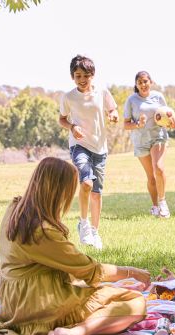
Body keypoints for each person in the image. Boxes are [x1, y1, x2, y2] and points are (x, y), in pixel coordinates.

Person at [0, 157, 150, 335]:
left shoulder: (15, 210)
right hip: (40, 305)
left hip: (13, 304)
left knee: (101, 291)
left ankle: (58, 333)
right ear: (58, 191)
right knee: (135, 302)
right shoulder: (42, 232)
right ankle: (75, 333)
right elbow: (90, 271)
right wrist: (132, 272)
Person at [59, 55, 119, 249]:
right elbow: (62, 119)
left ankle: (95, 230)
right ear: (72, 76)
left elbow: (113, 109)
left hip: (100, 148)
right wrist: (71, 127)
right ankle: (83, 224)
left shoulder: (102, 92)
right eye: (78, 76)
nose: (82, 79)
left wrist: (113, 115)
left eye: (86, 75)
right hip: (79, 146)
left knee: (96, 193)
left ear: (92, 75)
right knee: (85, 183)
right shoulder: (68, 97)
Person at [123, 71, 175, 218]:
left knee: (158, 168)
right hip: (140, 142)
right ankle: (155, 206)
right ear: (136, 84)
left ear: (151, 82)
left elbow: (168, 116)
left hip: (158, 137)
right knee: (151, 177)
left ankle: (163, 202)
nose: (143, 84)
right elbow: (126, 125)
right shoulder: (131, 100)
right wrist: (137, 124)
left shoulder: (158, 97)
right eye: (139, 82)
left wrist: (172, 124)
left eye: (145, 81)